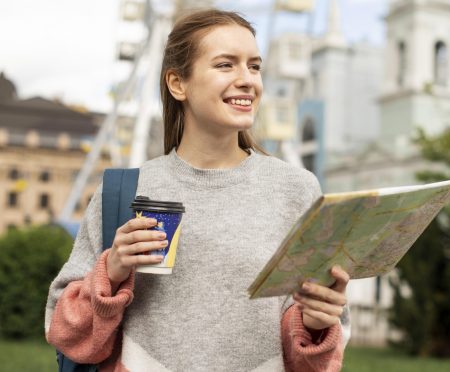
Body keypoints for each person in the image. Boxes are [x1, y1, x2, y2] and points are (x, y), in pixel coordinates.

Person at [46, 9, 350, 372]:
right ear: (178, 84)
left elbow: (312, 357)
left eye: (254, 66)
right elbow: (64, 329)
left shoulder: (297, 190)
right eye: (226, 65)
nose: (247, 80)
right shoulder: (126, 189)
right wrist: (111, 271)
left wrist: (315, 326)